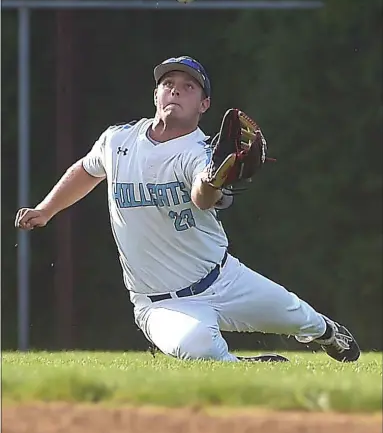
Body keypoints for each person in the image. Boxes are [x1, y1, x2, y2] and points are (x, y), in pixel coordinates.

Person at [15, 55, 360, 363]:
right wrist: (46, 210)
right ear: (156, 95)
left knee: (302, 317)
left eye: (188, 86)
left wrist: (212, 180)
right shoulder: (117, 140)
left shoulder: (198, 152)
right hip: (160, 303)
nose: (176, 91)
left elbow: (201, 196)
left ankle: (327, 333)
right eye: (168, 84)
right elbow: (87, 170)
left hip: (224, 278)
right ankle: (246, 367)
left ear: (204, 104)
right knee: (199, 348)